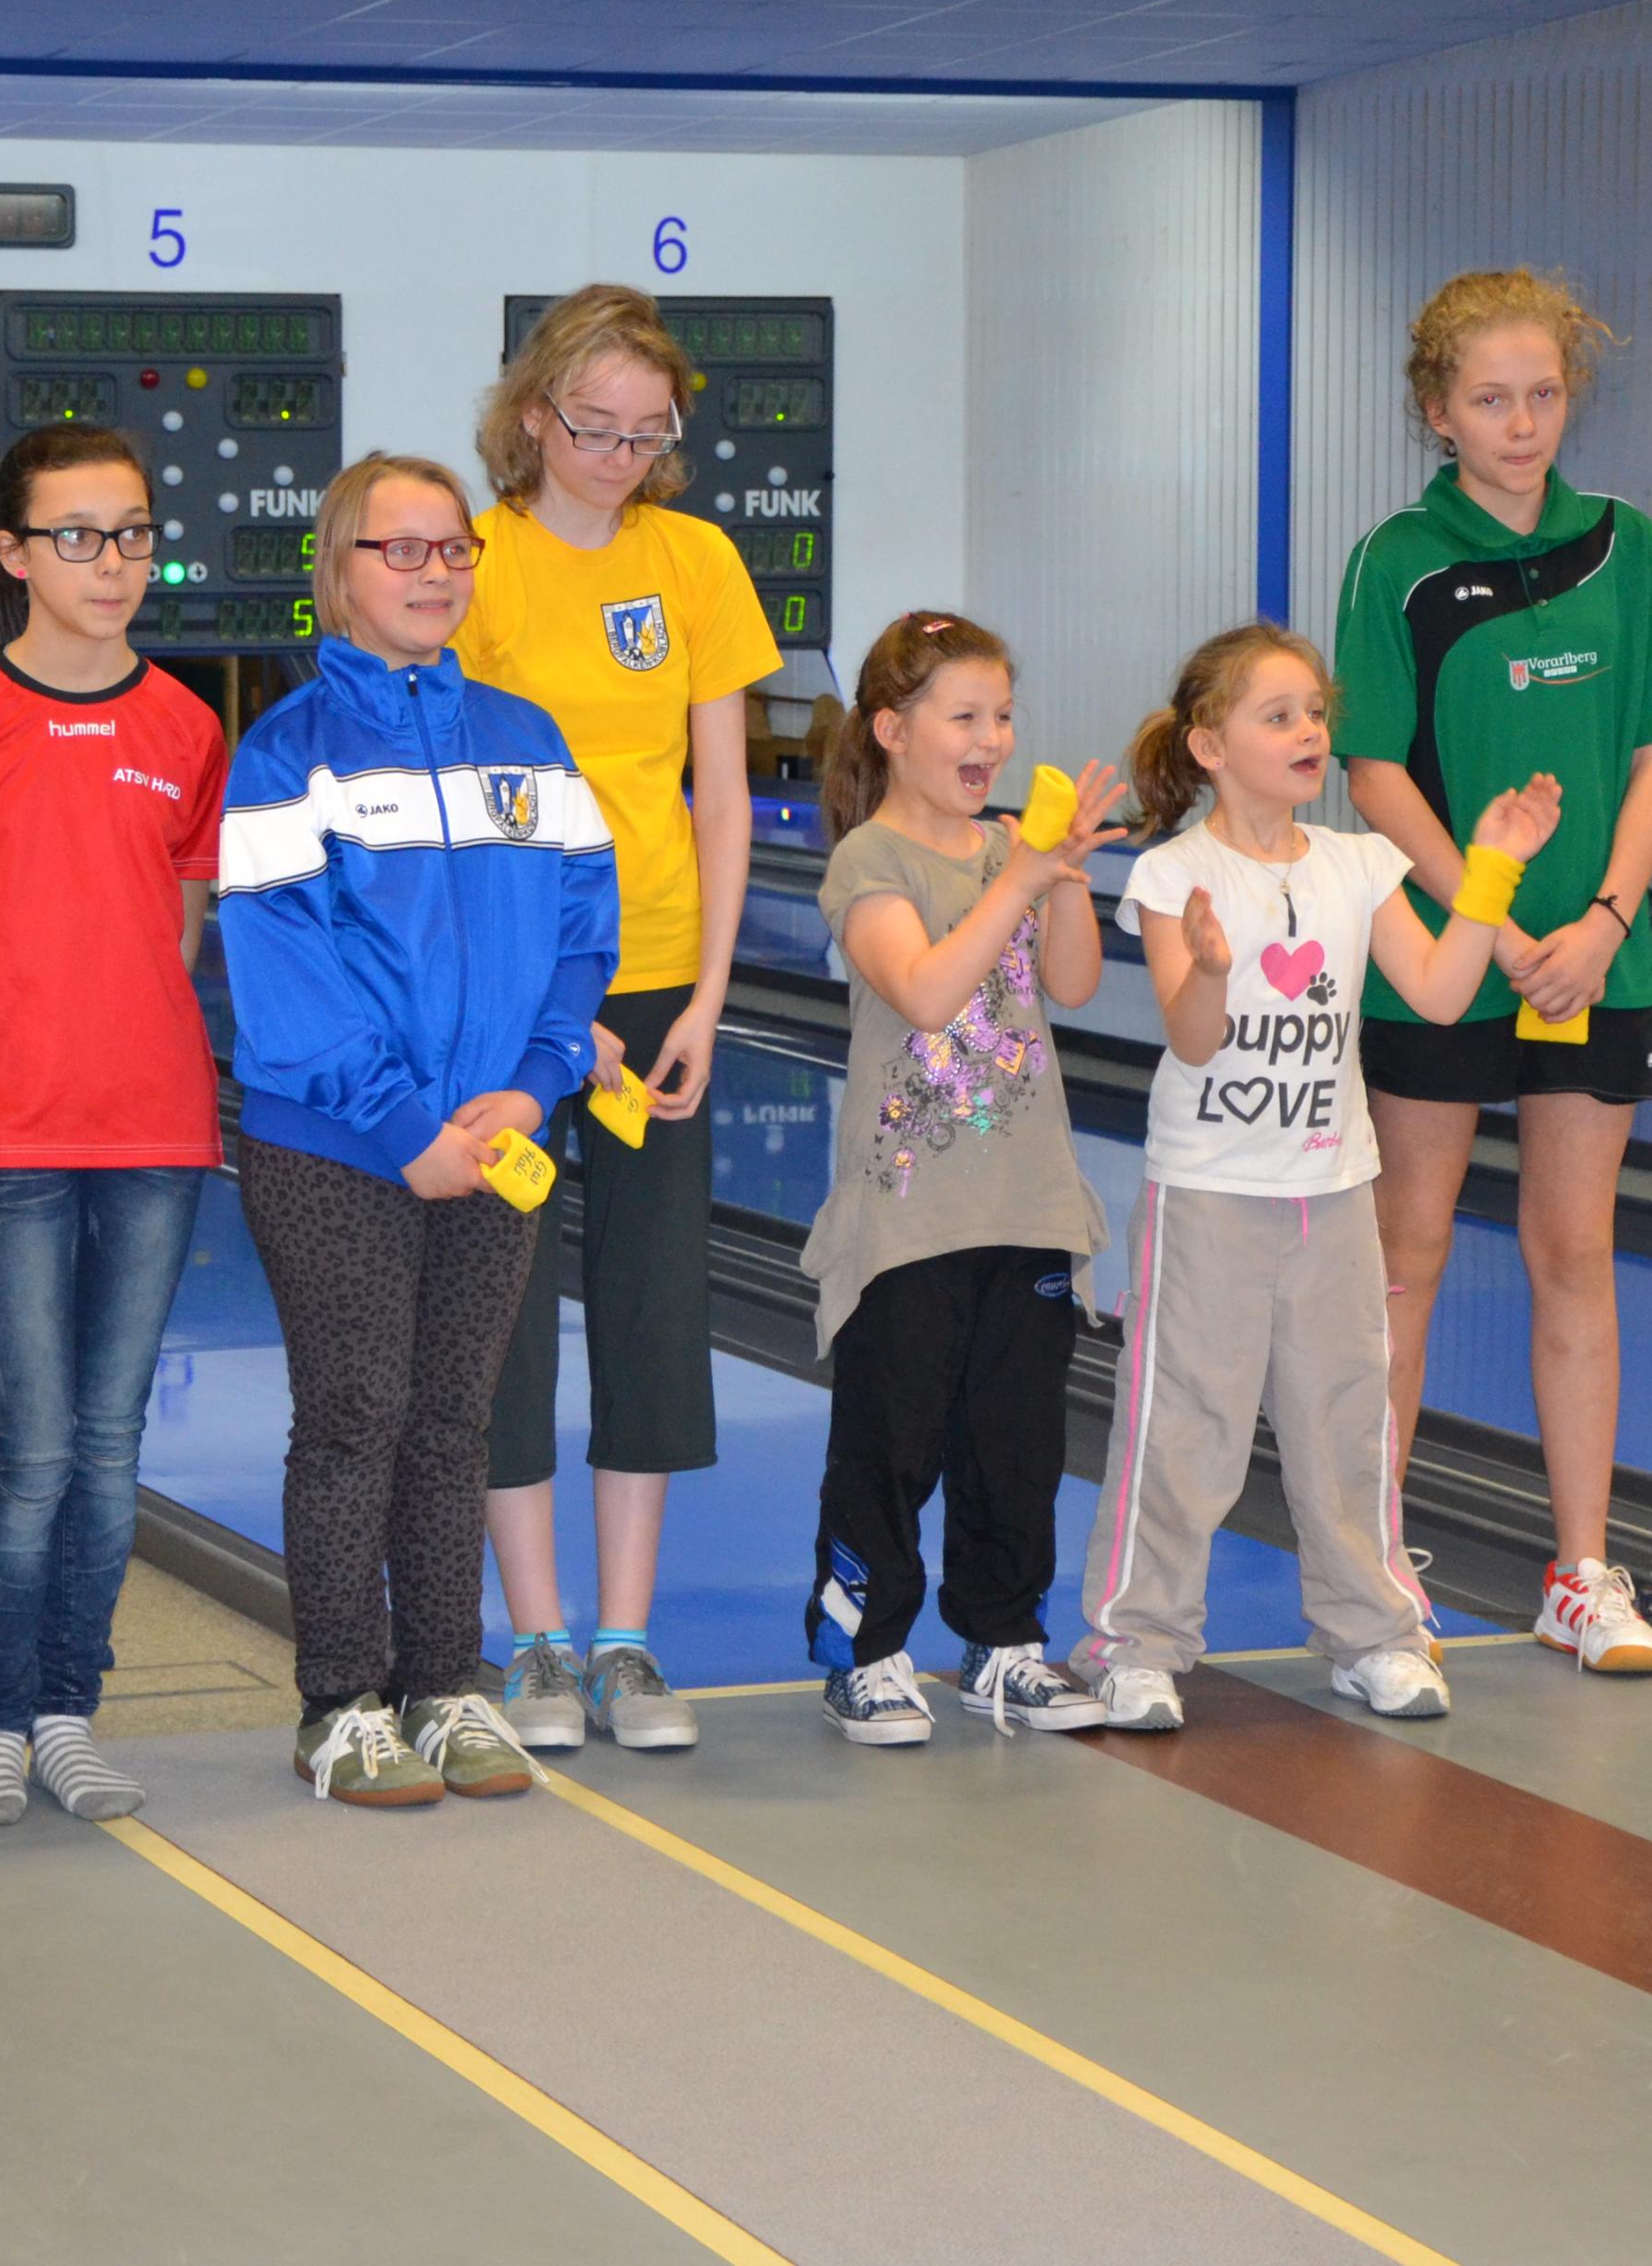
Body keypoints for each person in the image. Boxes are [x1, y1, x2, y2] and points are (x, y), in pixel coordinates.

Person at [218, 454, 619, 1807]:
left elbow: (584, 929)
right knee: (356, 1415)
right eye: (402, 549)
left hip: (494, 1135)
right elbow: (283, 975)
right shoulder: (287, 754)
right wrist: (402, 1124)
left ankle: (444, 1686)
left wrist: (538, 1079)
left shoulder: (528, 740)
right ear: (339, 572)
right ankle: (340, 1703)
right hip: (335, 1147)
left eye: (454, 549)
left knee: (454, 1421)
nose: (435, 571)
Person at [1079, 623, 1562, 1730]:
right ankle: (1134, 1644)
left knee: (1347, 1425)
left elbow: (1439, 992)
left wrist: (1489, 870)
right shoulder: (1174, 875)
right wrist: (1209, 969)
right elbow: (1192, 1039)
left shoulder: (1357, 863)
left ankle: (1372, 1635)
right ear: (1209, 746)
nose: (1308, 732)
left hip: (1335, 1193)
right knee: (1182, 1428)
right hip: (1209, 1194)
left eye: (1313, 713)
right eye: (1277, 716)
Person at [1331, 269, 1652, 1674]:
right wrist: (1485, 919)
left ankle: (1582, 1575)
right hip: (1444, 950)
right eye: (1491, 399)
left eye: (1543, 394)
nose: (1522, 422)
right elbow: (1373, 771)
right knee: (1406, 1259)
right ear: (1437, 411)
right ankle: (1376, 1577)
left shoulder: (1627, 545)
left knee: (1574, 1252)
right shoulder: (1398, 561)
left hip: (1597, 958)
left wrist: (1604, 920)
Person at [0, 424, 227, 1827]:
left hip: (154, 1132)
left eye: (133, 532)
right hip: (8, 1136)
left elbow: (179, 930)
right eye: (77, 535)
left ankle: (70, 1710)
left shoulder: (186, 727)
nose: (112, 561)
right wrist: (5, 1056)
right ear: (14, 553)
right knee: (29, 1451)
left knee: (110, 1446)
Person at [460, 283, 779, 1754]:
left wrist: (707, 996)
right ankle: (535, 1638)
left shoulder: (694, 559)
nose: (621, 457)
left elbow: (722, 795)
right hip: (512, 991)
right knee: (507, 1310)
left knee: (654, 1309)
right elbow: (461, 810)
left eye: (649, 435)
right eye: (596, 427)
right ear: (536, 415)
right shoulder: (479, 567)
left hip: (655, 984)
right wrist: (537, 1013)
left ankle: (628, 1641)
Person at [799, 610, 1126, 1745]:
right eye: (965, 717)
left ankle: (1003, 1641)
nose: (992, 739)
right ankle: (863, 1653)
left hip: (1027, 1205)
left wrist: (1062, 877)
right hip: (906, 1220)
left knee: (1016, 1448)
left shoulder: (1009, 854)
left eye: (1003, 716)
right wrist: (1017, 877)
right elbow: (927, 991)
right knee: (887, 1447)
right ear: (893, 730)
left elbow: (1072, 983)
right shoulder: (868, 861)